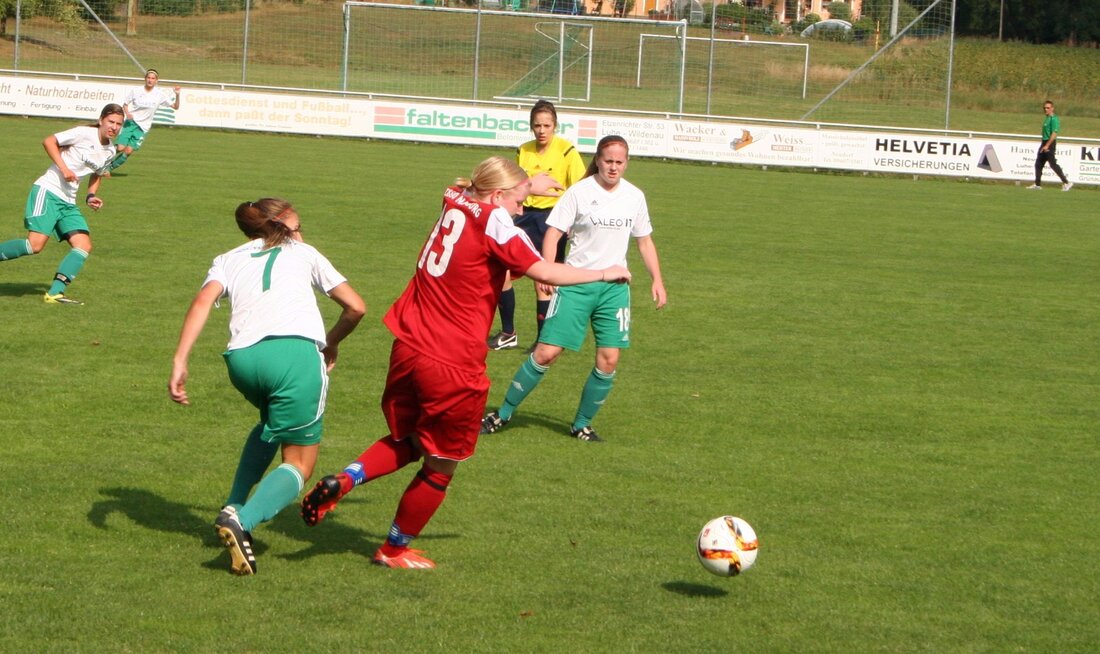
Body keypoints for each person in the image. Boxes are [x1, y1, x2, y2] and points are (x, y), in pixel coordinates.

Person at [299, 156, 631, 569]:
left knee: (413, 439)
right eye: (518, 201)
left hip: (408, 345)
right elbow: (545, 269)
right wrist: (605, 273)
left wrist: (528, 182)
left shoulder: (454, 197)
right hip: (451, 361)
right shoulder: (498, 225)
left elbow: (481, 202)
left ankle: (345, 479)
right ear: (496, 196)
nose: (521, 210)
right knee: (441, 465)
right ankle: (393, 550)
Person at [168, 198, 365, 576]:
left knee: (270, 424)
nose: (302, 232)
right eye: (298, 224)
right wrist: (331, 342)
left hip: (242, 361)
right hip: (293, 356)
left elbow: (202, 301)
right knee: (300, 463)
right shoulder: (303, 252)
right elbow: (356, 307)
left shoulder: (228, 257)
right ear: (282, 226)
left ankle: (233, 504)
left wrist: (180, 360)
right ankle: (242, 521)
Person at [481, 135, 667, 443]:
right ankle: (502, 414)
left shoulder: (635, 196)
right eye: (608, 160)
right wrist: (548, 269)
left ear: (627, 163)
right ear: (598, 159)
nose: (613, 167)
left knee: (609, 359)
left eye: (620, 162)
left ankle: (581, 424)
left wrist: (657, 280)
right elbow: (553, 233)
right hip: (576, 284)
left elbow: (644, 240)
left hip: (615, 288)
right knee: (547, 353)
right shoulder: (579, 192)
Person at [487, 99, 586, 352]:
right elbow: (516, 183)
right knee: (502, 271)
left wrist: (574, 222)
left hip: (552, 219)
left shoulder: (567, 151)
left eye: (546, 125)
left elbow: (580, 188)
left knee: (542, 279)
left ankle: (543, 340)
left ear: (555, 126)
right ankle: (509, 332)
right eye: (537, 125)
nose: (541, 130)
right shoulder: (524, 150)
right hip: (522, 216)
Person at [0, 104, 124, 305]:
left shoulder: (109, 150)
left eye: (119, 124)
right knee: (34, 245)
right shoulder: (84, 133)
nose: (114, 127)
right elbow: (49, 141)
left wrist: (91, 195)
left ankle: (55, 293)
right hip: (48, 191)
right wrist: (64, 168)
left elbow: (98, 174)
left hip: (68, 202)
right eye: (111, 122)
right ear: (101, 120)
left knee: (83, 246)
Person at [109, 69, 181, 172]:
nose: (150, 80)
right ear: (145, 79)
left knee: (128, 151)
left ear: (156, 80)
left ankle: (108, 169)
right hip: (131, 123)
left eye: (153, 78)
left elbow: (175, 106)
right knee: (120, 148)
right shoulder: (136, 91)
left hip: (143, 127)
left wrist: (177, 95)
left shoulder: (159, 94)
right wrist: (127, 113)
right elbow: (125, 104)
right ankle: (103, 157)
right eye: (148, 78)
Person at [1027, 100, 1072, 192]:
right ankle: (1037, 184)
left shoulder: (1054, 119)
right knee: (1038, 164)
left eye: (1048, 108)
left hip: (1049, 144)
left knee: (1053, 164)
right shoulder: (1047, 118)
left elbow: (1054, 133)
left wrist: (1047, 145)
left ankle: (1066, 182)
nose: (1046, 109)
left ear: (1052, 108)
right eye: (1044, 108)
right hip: (1044, 143)